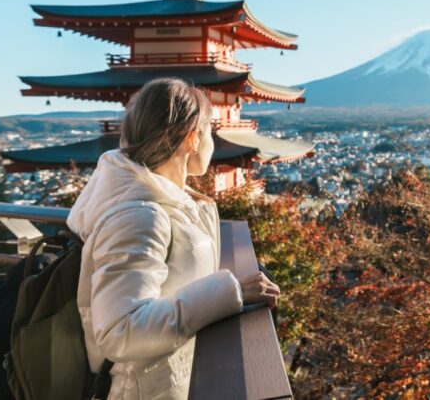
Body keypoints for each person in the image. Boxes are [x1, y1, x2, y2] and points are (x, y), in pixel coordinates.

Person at [66, 77, 280, 400]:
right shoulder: (139, 215)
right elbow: (119, 330)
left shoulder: (167, 200)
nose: (214, 140)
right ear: (191, 139)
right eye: (210, 130)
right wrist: (232, 291)